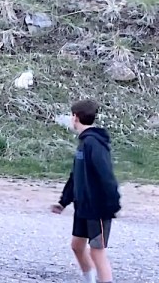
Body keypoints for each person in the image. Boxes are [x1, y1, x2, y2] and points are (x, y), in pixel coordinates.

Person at [51, 99, 121, 283]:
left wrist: (112, 204)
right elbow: (76, 176)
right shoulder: (83, 143)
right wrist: (63, 202)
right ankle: (89, 280)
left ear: (75, 117)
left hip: (97, 208)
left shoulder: (94, 143)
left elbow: (106, 175)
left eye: (71, 116)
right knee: (77, 246)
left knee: (97, 252)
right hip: (83, 206)